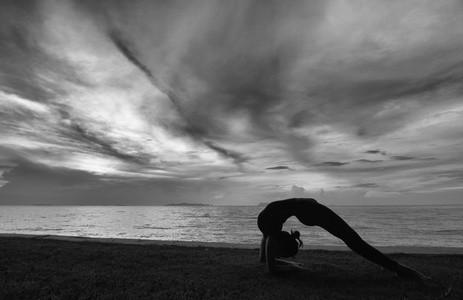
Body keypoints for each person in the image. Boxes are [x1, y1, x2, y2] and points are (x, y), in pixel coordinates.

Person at [258, 198, 430, 280]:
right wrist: (292, 264)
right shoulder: (269, 231)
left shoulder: (271, 235)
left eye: (282, 255)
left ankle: (401, 269)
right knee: (353, 241)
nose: (277, 255)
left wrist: (295, 268)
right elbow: (265, 260)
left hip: (310, 210)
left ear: (281, 245)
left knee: (354, 241)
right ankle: (391, 266)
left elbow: (271, 268)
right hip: (307, 207)